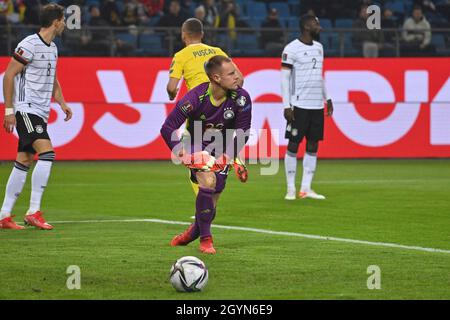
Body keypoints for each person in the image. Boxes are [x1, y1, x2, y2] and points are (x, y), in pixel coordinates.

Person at [160, 55, 252, 254]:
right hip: (195, 143)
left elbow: (243, 131)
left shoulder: (242, 98)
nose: (238, 77)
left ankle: (190, 234)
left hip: (222, 145)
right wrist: (182, 154)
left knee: (211, 204)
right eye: (232, 74)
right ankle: (206, 240)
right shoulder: (194, 99)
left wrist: (229, 156)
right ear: (217, 78)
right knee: (208, 182)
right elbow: (167, 128)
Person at [0, 3, 72, 230]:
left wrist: (61, 101)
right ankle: (33, 211)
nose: (64, 24)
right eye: (63, 20)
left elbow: (53, 78)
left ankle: (4, 215)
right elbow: (9, 75)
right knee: (47, 153)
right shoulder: (29, 44)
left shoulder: (52, 47)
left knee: (23, 161)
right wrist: (9, 111)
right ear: (57, 21)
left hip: (40, 111)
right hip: (26, 109)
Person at [166, 17, 247, 190]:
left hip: (198, 107)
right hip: (224, 103)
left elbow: (172, 88)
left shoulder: (181, 55)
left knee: (194, 161)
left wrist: (171, 94)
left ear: (183, 35)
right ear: (202, 34)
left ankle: (202, 207)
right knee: (219, 145)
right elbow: (240, 79)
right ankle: (233, 157)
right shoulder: (217, 51)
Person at [281, 14, 333, 201]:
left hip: (316, 105)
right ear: (306, 26)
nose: (319, 26)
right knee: (293, 145)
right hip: (299, 105)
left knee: (313, 145)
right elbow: (284, 79)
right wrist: (287, 105)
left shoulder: (319, 48)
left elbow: (319, 75)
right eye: (315, 23)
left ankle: (306, 188)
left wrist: (328, 98)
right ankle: (290, 189)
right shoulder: (291, 49)